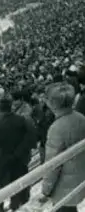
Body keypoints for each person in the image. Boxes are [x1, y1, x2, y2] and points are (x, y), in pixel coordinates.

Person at [39, 82, 85, 212]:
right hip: (79, 178)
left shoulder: (56, 128)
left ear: (52, 103)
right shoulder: (81, 118)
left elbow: (53, 164)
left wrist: (46, 189)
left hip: (64, 186)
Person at [0, 95, 36, 212]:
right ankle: (18, 206)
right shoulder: (21, 120)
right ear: (11, 106)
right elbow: (27, 139)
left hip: (5, 162)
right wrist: (17, 154)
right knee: (20, 187)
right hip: (19, 160)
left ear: (0, 108)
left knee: (8, 188)